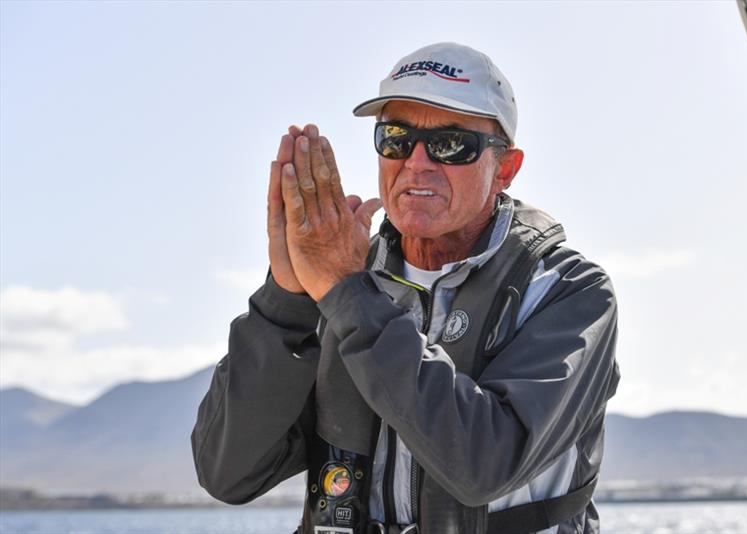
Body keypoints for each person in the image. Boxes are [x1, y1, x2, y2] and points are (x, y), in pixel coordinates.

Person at [191, 42, 620, 534]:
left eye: (451, 143)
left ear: (504, 168)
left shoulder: (570, 292)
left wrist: (347, 292)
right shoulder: (338, 281)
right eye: (396, 137)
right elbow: (227, 473)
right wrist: (286, 300)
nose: (416, 162)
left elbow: (483, 465)